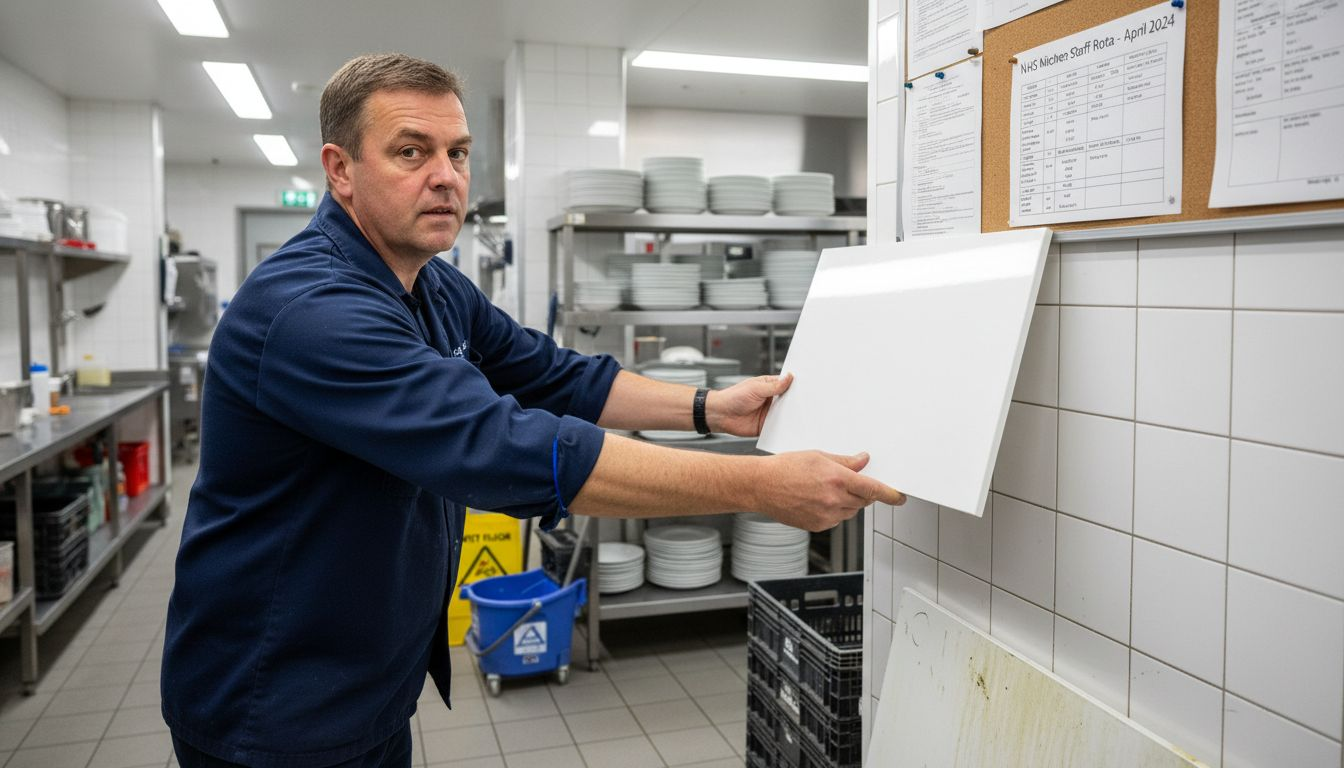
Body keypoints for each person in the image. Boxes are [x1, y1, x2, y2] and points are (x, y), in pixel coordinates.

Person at [161, 53, 905, 768]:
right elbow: (502, 445)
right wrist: (760, 487)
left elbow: (552, 376)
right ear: (340, 170)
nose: (445, 177)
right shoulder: (312, 311)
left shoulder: (433, 284)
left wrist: (714, 409)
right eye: (412, 152)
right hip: (273, 699)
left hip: (363, 676)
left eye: (457, 153)